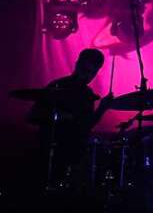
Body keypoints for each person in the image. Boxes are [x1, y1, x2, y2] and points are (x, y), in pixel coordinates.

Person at [28, 48, 113, 185]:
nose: (87, 75)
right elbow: (32, 115)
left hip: (73, 154)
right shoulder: (57, 86)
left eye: (91, 72)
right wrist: (57, 116)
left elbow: (86, 126)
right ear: (77, 64)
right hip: (50, 151)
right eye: (84, 70)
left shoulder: (87, 94)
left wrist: (102, 108)